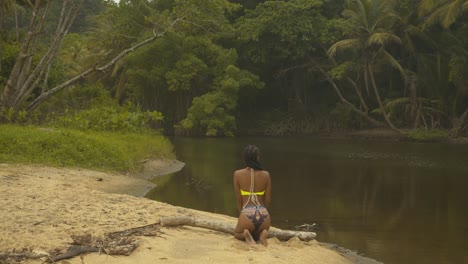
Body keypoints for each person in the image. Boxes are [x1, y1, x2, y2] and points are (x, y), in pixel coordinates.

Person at [233, 145, 272, 246]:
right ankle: (263, 233)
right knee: (259, 231)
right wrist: (263, 211)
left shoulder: (237, 174)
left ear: (245, 158)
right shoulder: (266, 175)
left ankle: (246, 234)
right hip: (263, 214)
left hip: (247, 213)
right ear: (258, 157)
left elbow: (239, 199)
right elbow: (267, 199)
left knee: (237, 233)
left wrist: (241, 215)